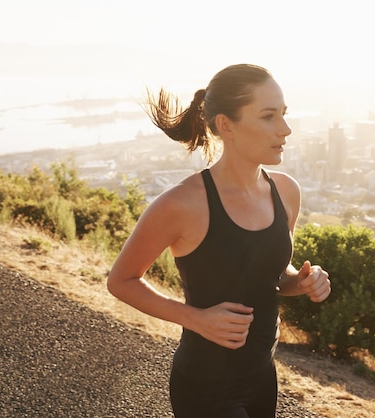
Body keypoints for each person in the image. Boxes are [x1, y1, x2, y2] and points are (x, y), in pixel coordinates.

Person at [107, 63, 331, 418]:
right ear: (226, 125)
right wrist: (195, 318)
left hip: (262, 378)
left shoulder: (286, 192)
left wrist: (300, 281)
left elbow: (272, 277)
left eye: (284, 114)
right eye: (269, 116)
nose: (285, 129)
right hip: (205, 388)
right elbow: (121, 281)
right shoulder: (182, 204)